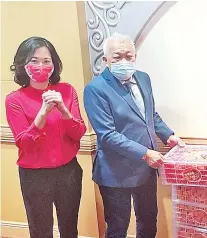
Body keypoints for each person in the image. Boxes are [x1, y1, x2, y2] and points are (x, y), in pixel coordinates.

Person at [83, 33, 184, 238]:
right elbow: (107, 135)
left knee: (148, 221)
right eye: (117, 57)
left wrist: (167, 135)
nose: (124, 61)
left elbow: (150, 113)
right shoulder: (95, 89)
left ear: (135, 56)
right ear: (106, 60)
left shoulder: (143, 78)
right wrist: (146, 153)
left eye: (129, 56)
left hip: (146, 169)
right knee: (118, 228)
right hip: (115, 172)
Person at [5, 37, 86, 238]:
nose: (40, 65)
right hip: (35, 176)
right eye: (34, 60)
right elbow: (24, 143)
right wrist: (42, 113)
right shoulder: (14, 99)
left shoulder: (67, 91)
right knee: (41, 232)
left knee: (69, 229)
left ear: (54, 64)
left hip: (68, 172)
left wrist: (64, 111)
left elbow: (78, 133)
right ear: (23, 64)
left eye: (46, 60)